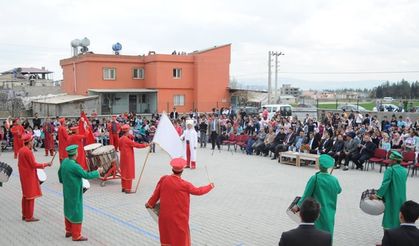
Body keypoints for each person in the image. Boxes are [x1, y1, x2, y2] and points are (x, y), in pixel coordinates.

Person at [145, 158, 214, 246]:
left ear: (172, 169)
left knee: (167, 238)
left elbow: (155, 194)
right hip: (178, 219)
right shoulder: (185, 185)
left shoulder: (164, 179)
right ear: (182, 171)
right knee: (179, 239)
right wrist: (210, 186)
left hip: (164, 217)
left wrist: (149, 204)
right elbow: (198, 191)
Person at [58, 145, 103, 241]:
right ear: (75, 154)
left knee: (68, 208)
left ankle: (68, 230)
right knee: (76, 211)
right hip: (75, 190)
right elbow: (86, 175)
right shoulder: (75, 166)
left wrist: (63, 181)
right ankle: (76, 235)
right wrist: (97, 172)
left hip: (66, 189)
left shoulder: (65, 161)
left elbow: (59, 173)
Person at [293, 154, 342, 237]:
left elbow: (306, 195)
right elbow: (339, 190)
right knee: (327, 233)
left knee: (315, 234)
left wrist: (298, 206)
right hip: (330, 212)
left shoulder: (315, 178)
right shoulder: (334, 179)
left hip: (316, 211)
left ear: (319, 165)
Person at [18, 133, 52, 222]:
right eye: (32, 141)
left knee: (25, 196)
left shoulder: (21, 150)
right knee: (30, 196)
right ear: (29, 142)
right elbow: (34, 164)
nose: (33, 142)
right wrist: (46, 164)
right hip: (29, 176)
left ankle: (24, 214)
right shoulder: (28, 152)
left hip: (24, 176)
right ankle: (29, 216)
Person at [370, 151, 408, 229]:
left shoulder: (390, 170)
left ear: (394, 161)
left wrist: (378, 195)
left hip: (392, 197)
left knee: (389, 218)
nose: (389, 161)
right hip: (402, 197)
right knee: (399, 217)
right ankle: (397, 237)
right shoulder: (404, 171)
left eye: (390, 159)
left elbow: (385, 185)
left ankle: (387, 239)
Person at [119, 124, 148, 193]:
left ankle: (123, 188)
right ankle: (128, 189)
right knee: (129, 173)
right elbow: (136, 145)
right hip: (128, 158)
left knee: (123, 172)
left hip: (122, 158)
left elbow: (119, 148)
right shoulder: (127, 140)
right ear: (127, 131)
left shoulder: (121, 138)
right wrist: (145, 145)